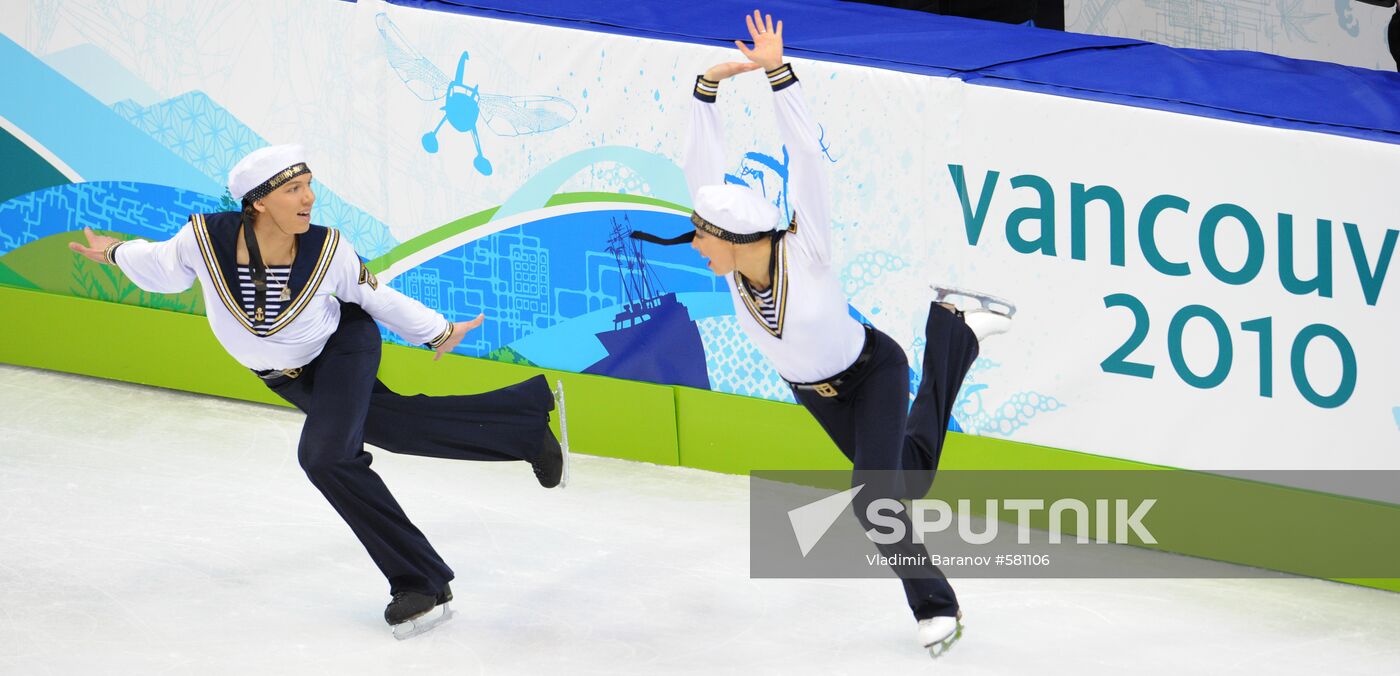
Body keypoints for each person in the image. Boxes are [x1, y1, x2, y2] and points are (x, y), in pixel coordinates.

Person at [631, 11, 1013, 659]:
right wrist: (707, 86)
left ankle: (936, 606)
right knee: (907, 482)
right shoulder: (729, 261)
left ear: (732, 239)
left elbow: (807, 157)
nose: (695, 246)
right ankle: (952, 332)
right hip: (814, 392)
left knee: (873, 499)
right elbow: (703, 173)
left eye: (701, 237)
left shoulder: (807, 250)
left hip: (874, 372)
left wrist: (780, 75)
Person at [69, 145, 568, 639]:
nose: (309, 198)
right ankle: (524, 428)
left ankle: (420, 580)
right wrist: (113, 251)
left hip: (343, 349)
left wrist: (438, 330)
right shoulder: (204, 240)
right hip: (286, 375)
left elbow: (376, 296)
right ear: (259, 202)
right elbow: (158, 264)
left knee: (325, 457)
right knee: (392, 428)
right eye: (293, 189)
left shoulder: (327, 248)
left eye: (308, 185)